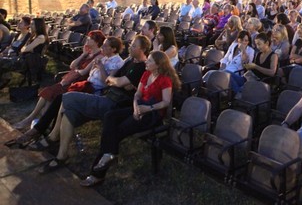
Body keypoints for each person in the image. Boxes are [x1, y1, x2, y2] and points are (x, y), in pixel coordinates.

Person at [35, 35, 151, 174]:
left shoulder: (142, 67)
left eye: (134, 46)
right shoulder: (129, 62)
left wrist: (117, 81)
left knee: (68, 97)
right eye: (131, 44)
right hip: (108, 95)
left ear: (143, 49)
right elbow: (112, 80)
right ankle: (62, 155)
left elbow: (117, 82)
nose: (130, 47)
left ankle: (53, 137)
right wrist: (117, 81)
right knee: (69, 113)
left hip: (114, 104)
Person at [80, 51, 181, 187]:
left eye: (150, 61)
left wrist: (147, 108)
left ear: (158, 65)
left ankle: (97, 174)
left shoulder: (165, 80)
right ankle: (111, 154)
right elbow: (137, 94)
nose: (146, 62)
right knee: (110, 116)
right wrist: (136, 108)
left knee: (115, 132)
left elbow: (166, 102)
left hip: (153, 114)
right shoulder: (146, 74)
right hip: (139, 108)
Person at [11, 30, 106, 131]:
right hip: (71, 78)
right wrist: (83, 54)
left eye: (90, 38)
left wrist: (75, 71)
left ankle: (36, 122)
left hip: (79, 83)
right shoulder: (88, 53)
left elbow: (83, 72)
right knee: (48, 94)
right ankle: (36, 121)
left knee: (50, 94)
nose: (87, 40)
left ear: (96, 42)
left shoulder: (99, 56)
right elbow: (72, 65)